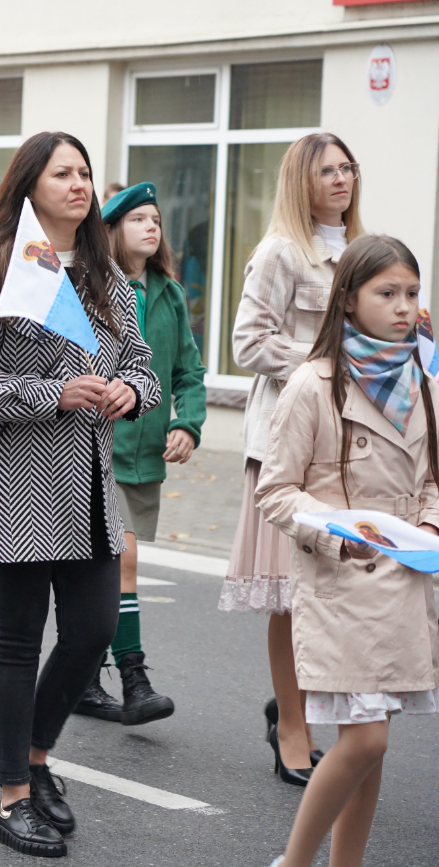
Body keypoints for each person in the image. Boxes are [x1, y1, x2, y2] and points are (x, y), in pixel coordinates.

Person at [0, 131, 159, 858]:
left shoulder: (107, 275)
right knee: (16, 645)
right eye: (62, 172)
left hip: (89, 487)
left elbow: (144, 368)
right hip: (13, 485)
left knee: (93, 632)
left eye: (85, 172)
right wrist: (50, 393)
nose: (78, 183)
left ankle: (35, 756)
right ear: (30, 185)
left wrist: (132, 389)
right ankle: (11, 797)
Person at [256, 235, 439, 867]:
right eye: (386, 293)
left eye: (411, 293)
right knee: (364, 742)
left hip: (407, 579)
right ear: (349, 300)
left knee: (374, 743)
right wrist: (342, 530)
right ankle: (295, 861)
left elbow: (434, 479)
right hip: (343, 579)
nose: (403, 307)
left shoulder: (425, 375)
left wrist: (431, 528)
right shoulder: (313, 381)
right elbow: (276, 491)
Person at [225, 133, 363, 786]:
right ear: (299, 183)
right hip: (288, 442)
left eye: (346, 167)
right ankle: (291, 727)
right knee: (294, 594)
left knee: (343, 587)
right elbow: (247, 341)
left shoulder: (364, 250)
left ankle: (300, 703)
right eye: (326, 170)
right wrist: (321, 367)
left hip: (355, 446)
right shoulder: (281, 250)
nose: (341, 178)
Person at [73, 183, 206, 726]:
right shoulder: (90, 287)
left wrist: (188, 424)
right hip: (94, 450)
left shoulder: (170, 295)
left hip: (143, 457)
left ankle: (82, 674)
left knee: (100, 572)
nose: (152, 227)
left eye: (156, 219)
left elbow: (188, 374)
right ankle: (133, 677)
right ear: (111, 229)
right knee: (122, 561)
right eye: (138, 219)